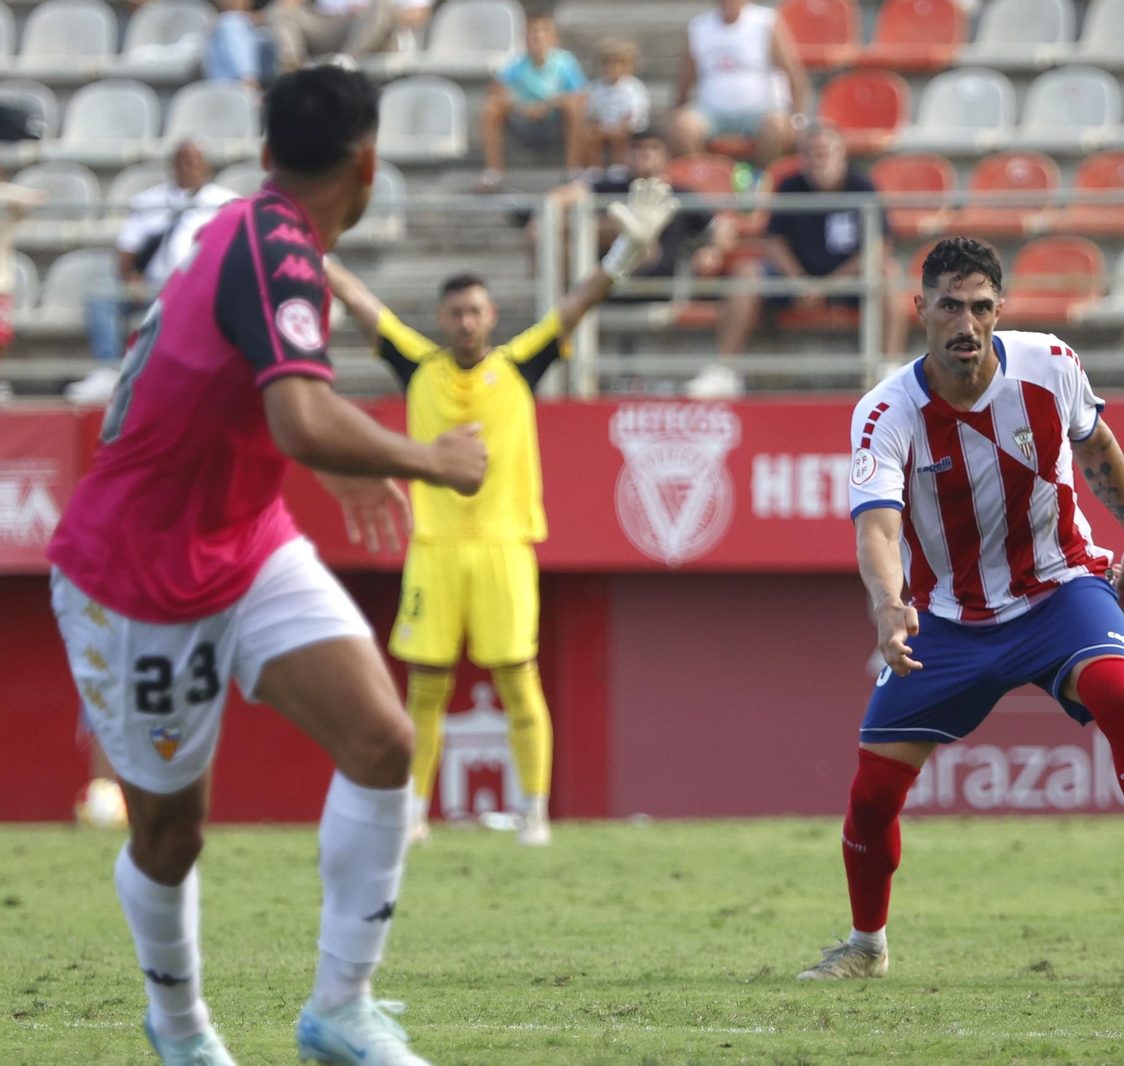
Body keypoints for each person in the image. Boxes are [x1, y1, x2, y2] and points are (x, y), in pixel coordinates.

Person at [47, 65, 490, 1066]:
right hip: (137, 576)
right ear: (368, 164)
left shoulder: (247, 228)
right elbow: (298, 415)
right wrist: (428, 459)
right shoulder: (279, 249)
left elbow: (245, 385)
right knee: (171, 834)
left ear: (265, 152)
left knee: (382, 741)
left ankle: (340, 1011)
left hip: (244, 540)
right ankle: (180, 1029)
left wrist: (331, 462)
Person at [795, 237, 1124, 981]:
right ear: (920, 309)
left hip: (1058, 588)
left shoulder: (1049, 365)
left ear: (1001, 309)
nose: (966, 324)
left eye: (980, 307)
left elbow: (1095, 445)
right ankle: (866, 946)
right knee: (871, 795)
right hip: (948, 618)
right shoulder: (884, 412)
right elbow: (878, 529)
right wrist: (889, 606)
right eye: (949, 306)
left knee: (1119, 693)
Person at [324, 178, 680, 849]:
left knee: (518, 679)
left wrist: (624, 255)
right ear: (442, 318)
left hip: (504, 545)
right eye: (456, 312)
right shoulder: (417, 367)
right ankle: (413, 813)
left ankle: (533, 812)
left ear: (491, 317)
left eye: (475, 311)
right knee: (426, 687)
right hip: (434, 546)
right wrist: (306, 246)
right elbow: (358, 300)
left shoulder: (519, 366)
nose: (465, 322)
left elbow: (575, 306)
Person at [702, 122, 906, 400]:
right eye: (810, 153)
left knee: (889, 272)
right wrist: (799, 282)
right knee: (746, 272)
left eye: (824, 152)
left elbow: (879, 246)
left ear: (841, 154)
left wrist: (831, 286)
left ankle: (890, 369)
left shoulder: (862, 186)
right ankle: (724, 370)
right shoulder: (789, 186)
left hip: (848, 279)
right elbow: (773, 242)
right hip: (794, 278)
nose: (818, 159)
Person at [71, 142, 239, 405]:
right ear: (172, 166)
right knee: (102, 293)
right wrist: (131, 277)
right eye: (182, 161)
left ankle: (218, 377)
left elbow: (236, 253)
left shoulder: (226, 202)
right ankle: (108, 370)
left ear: (206, 166)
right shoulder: (148, 201)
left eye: (195, 161)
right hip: (152, 287)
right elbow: (126, 250)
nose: (188, 167)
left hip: (201, 288)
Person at [533, 128, 739, 304]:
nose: (645, 154)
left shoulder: (680, 194)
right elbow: (560, 197)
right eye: (637, 148)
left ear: (666, 155)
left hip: (655, 281)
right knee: (546, 229)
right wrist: (544, 219)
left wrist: (713, 250)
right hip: (604, 279)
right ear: (626, 155)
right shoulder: (611, 186)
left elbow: (721, 226)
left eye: (653, 148)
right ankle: (559, 302)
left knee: (636, 233)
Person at [669, 0, 811, 168]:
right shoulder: (698, 27)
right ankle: (702, 178)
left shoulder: (766, 21)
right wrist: (676, 113)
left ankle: (763, 179)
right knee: (682, 128)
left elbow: (793, 73)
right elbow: (684, 78)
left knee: (776, 126)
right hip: (711, 112)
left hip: (760, 111)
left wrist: (798, 119)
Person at [478, 12, 587, 191]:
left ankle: (573, 170)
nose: (538, 37)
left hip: (554, 122)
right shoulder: (517, 63)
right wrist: (520, 106)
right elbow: (496, 88)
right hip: (524, 120)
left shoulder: (565, 63)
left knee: (574, 107)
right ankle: (493, 172)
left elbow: (580, 95)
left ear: (554, 38)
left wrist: (547, 105)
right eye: (533, 33)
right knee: (492, 106)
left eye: (543, 32)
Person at [262, 0, 399, 73]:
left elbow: (409, 14)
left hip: (368, 28)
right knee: (278, 10)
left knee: (383, 3)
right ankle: (293, 70)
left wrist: (363, 11)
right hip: (326, 24)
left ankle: (346, 61)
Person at [581, 38, 651, 171]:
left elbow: (637, 111)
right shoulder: (596, 87)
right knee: (590, 134)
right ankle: (594, 167)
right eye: (610, 63)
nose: (615, 68)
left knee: (622, 135)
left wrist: (622, 125)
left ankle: (619, 166)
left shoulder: (634, 87)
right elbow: (591, 110)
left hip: (627, 127)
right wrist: (596, 125)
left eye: (620, 63)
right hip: (603, 126)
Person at [203, 0, 269, 90]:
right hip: (234, 89)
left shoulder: (234, 22)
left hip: (221, 89)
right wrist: (251, 85)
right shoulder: (231, 23)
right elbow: (246, 77)